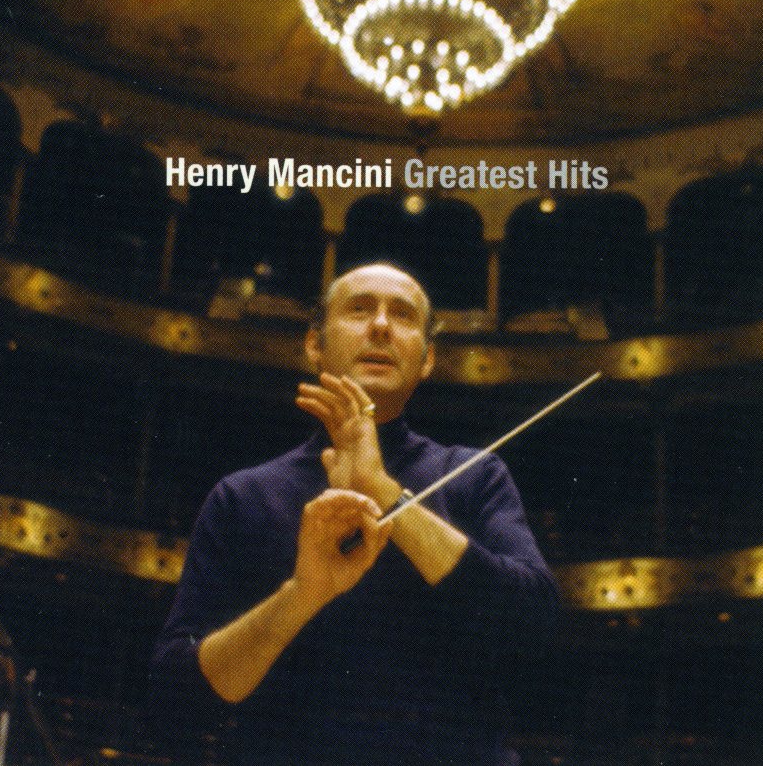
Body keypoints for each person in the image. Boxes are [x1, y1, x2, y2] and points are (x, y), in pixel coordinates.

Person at [149, 263, 558, 765]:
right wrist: (303, 594)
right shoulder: (243, 496)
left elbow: (533, 627)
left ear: (427, 359)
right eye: (359, 310)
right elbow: (177, 699)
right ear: (314, 344)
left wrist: (382, 490)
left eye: (402, 315)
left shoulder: (476, 476)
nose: (381, 326)